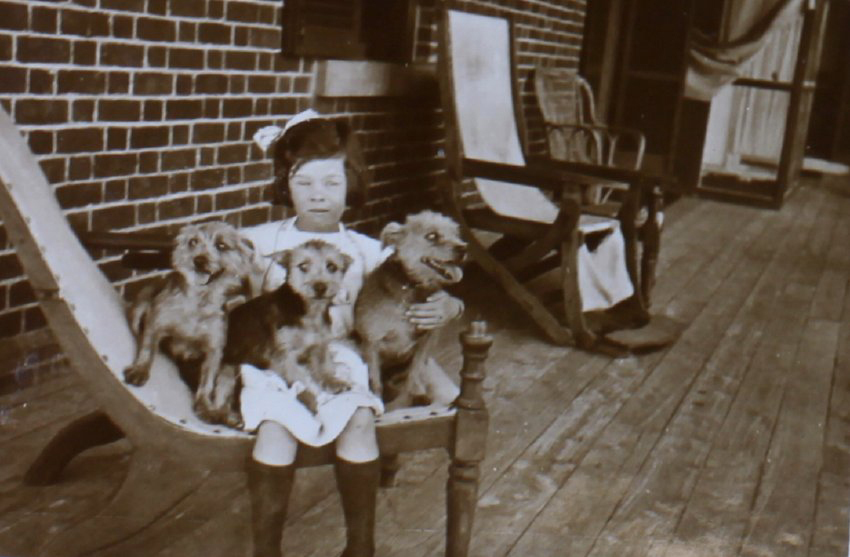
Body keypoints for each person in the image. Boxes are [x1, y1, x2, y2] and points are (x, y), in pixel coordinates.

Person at [240, 109, 464, 557]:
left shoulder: (369, 250)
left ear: (352, 186)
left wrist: (451, 305)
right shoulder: (260, 241)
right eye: (304, 184)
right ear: (286, 186)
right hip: (273, 357)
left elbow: (424, 282)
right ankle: (267, 551)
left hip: (341, 355)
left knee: (360, 418)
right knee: (273, 426)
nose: (318, 196)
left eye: (331, 184)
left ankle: (360, 547)